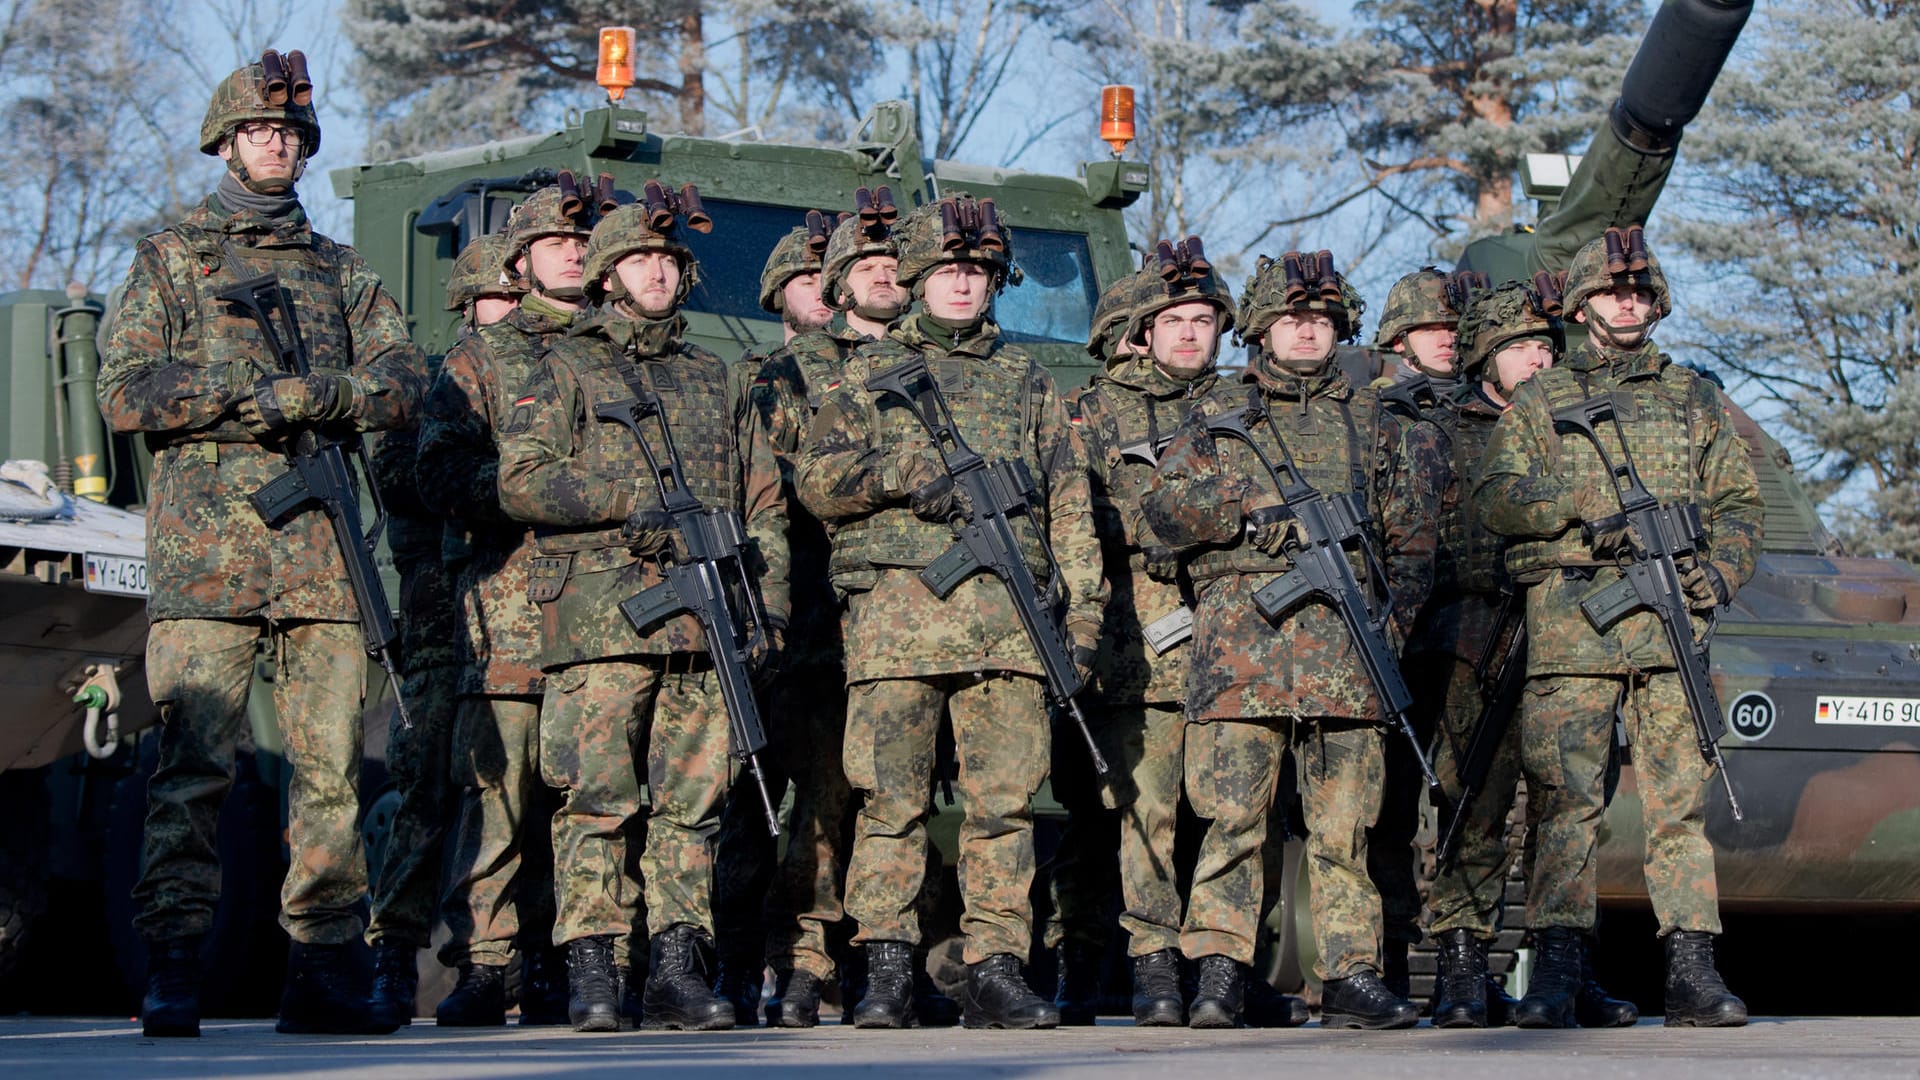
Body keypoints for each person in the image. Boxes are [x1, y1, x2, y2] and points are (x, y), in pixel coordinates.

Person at [99, 48, 424, 1037]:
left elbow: (407, 380)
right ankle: (173, 966)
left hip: (324, 567)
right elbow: (127, 390)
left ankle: (321, 969)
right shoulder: (172, 259)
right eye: (259, 132)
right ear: (226, 142)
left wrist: (335, 394)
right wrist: (250, 400)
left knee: (330, 777)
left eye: (291, 134)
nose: (277, 144)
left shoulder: (339, 271)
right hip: (209, 565)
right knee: (195, 771)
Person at [796, 195, 1105, 1030]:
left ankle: (999, 965)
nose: (963, 285)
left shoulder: (1027, 379)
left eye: (977, 271)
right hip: (898, 623)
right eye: (948, 271)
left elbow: (1069, 506)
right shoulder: (863, 375)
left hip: (1008, 628)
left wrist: (1080, 625)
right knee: (888, 804)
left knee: (1002, 806)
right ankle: (887, 969)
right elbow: (817, 483)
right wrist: (901, 474)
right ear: (920, 279)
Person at [496, 188, 789, 1032]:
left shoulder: (716, 377)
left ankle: (676, 966)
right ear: (607, 275)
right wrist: (630, 501)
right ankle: (594, 964)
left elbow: (761, 496)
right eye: (638, 259)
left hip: (708, 623)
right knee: (598, 797)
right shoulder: (562, 367)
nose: (657, 270)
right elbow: (523, 478)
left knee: (693, 804)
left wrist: (765, 609)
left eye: (667, 260)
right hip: (599, 618)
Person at [1140, 250, 1444, 1030]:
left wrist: (1389, 630)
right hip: (1241, 655)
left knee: (1345, 834)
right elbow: (1162, 522)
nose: (1306, 331)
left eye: (1320, 319)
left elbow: (1412, 544)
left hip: (1350, 659)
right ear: (1262, 329)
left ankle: (1349, 974)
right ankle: (1219, 969)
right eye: (1290, 318)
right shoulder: (1212, 417)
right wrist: (1245, 509)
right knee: (1234, 823)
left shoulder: (1378, 421)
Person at [1473, 227, 1760, 1029]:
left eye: (1637, 292)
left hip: (1671, 631)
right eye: (1610, 291)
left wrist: (1721, 573)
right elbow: (1495, 500)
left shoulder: (1694, 398)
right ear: (1582, 305)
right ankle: (1560, 967)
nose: (1625, 302)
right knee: (1565, 806)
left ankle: (1692, 969)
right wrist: (1579, 511)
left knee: (1680, 808)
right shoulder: (1541, 401)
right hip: (1574, 631)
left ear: (1655, 302)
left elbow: (1739, 506)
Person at [714, 194, 930, 1028]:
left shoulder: (908, 366)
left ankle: (814, 961)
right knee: (750, 798)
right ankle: (738, 960)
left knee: (847, 799)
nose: (824, 288)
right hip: (785, 608)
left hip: (869, 619)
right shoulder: (770, 380)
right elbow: (758, 495)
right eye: (809, 275)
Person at [415, 184, 599, 1026]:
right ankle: (487, 962)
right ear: (519, 261)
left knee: (590, 797)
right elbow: (439, 474)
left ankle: (577, 961)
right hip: (511, 613)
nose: (571, 251)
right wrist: (542, 493)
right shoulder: (484, 358)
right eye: (553, 241)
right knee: (499, 799)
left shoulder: (620, 352)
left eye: (581, 239)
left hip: (609, 620)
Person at [363, 229, 523, 1028]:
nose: (513, 308)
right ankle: (393, 952)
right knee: (424, 789)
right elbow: (405, 480)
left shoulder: (546, 375)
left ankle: (499, 962)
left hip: (518, 615)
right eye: (500, 295)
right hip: (440, 619)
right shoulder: (432, 385)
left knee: (506, 794)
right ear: (468, 305)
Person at [1364, 266, 1478, 996]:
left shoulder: (1482, 413)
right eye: (1435, 328)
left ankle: (1467, 966)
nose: (1449, 341)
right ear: (1399, 336)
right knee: (1385, 805)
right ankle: (1388, 959)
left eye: (1457, 331)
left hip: (1469, 629)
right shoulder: (1367, 414)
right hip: (1388, 631)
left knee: (1473, 801)